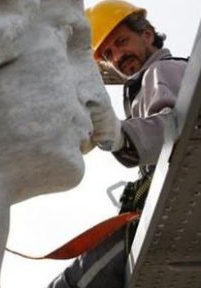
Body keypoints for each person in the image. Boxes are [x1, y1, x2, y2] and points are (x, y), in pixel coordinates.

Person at [48, 1, 187, 287]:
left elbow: (174, 131)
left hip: (167, 207)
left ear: (147, 35)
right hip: (163, 206)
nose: (118, 57)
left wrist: (117, 134)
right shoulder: (143, 87)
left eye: (122, 42)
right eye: (108, 54)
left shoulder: (163, 71)